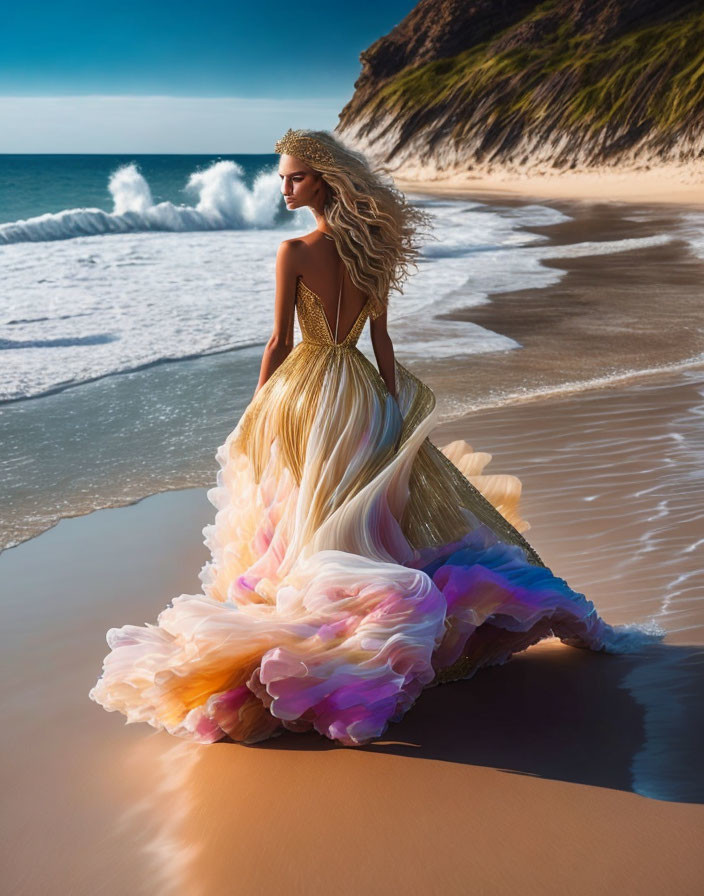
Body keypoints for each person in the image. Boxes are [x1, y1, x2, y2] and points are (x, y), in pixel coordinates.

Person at [89, 128, 664, 747]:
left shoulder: (295, 251)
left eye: (295, 177)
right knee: (368, 508)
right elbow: (381, 341)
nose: (284, 187)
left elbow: (280, 343)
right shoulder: (375, 253)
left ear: (324, 181)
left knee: (311, 506)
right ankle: (393, 619)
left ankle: (334, 621)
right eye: (283, 177)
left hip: (307, 390)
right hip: (360, 388)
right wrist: (389, 402)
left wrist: (256, 406)